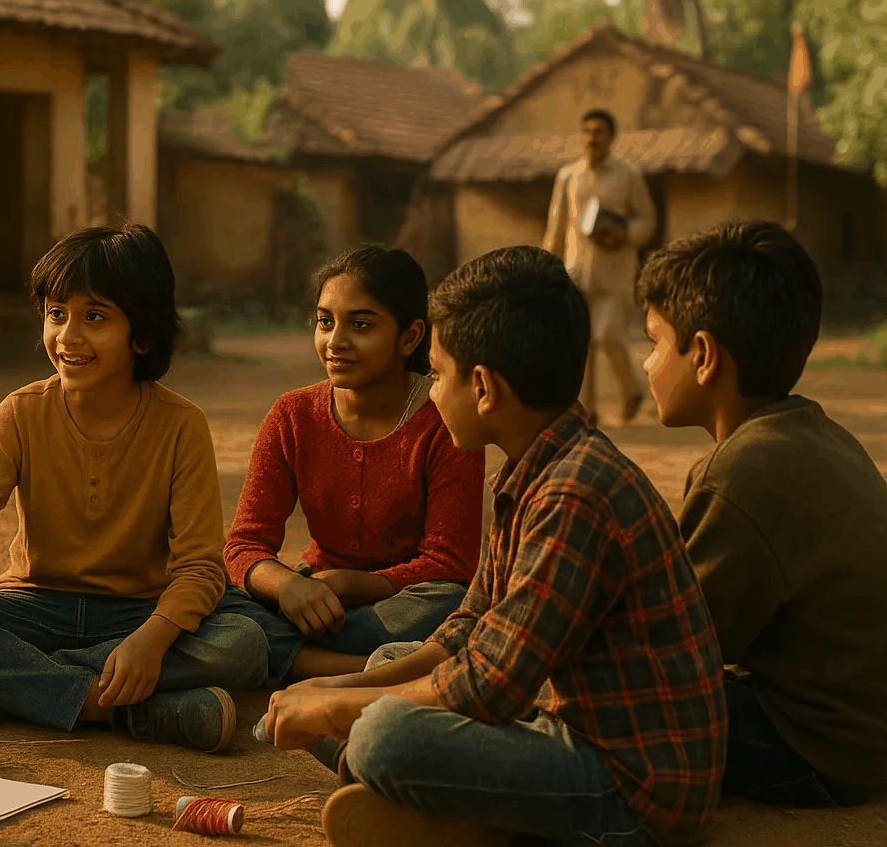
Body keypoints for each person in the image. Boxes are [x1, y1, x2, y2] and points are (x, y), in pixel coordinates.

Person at [262, 246, 727, 847]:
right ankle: (464, 817)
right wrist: (335, 689)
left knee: (384, 735)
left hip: (632, 788)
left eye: (437, 374)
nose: (430, 393)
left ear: (481, 387)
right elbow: (466, 631)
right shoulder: (536, 467)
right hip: (563, 727)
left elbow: (488, 684)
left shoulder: (574, 493)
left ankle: (475, 822)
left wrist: (334, 711)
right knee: (381, 673)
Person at [0, 224, 267, 752]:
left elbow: (199, 566)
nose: (68, 336)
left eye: (95, 317)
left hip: (136, 612)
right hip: (33, 610)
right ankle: (116, 710)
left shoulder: (181, 424)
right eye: (56, 314)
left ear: (143, 334)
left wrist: (151, 640)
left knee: (242, 643)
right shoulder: (20, 411)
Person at [639, 220, 887, 808]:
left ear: (702, 356)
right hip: (866, 733)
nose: (646, 364)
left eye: (652, 341)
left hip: (821, 748)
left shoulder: (743, 472)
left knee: (611, 694)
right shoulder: (818, 431)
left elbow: (667, 654)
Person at [216, 245, 484, 682]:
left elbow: (449, 562)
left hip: (404, 599)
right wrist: (289, 587)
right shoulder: (293, 415)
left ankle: (294, 661)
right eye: (325, 321)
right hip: (315, 598)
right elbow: (244, 546)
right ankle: (381, 668)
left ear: (410, 337)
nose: (335, 342)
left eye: (360, 325)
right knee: (219, 600)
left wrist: (358, 584)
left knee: (451, 603)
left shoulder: (444, 419)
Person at [543, 108, 657, 427]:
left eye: (600, 132)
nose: (593, 137)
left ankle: (633, 389)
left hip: (615, 271)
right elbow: (556, 226)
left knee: (607, 334)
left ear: (611, 138)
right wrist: (546, 264)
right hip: (575, 271)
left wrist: (624, 235)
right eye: (588, 131)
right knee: (582, 343)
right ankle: (587, 410)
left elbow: (647, 220)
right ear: (581, 135)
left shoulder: (628, 176)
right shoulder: (568, 176)